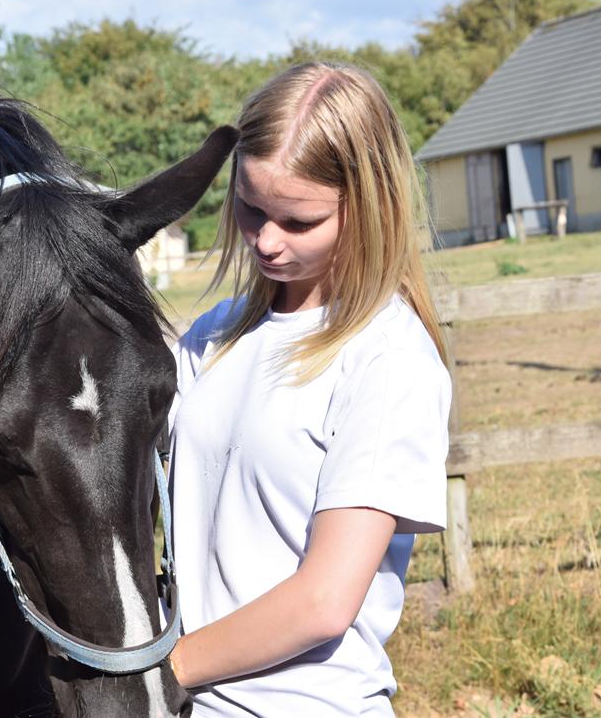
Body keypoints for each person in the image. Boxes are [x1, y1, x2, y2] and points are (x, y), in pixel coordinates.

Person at [165, 61, 452, 716]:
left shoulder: (386, 358)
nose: (265, 241)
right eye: (250, 208)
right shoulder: (214, 337)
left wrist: (164, 671)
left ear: (370, 206)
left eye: (298, 222)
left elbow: (324, 602)